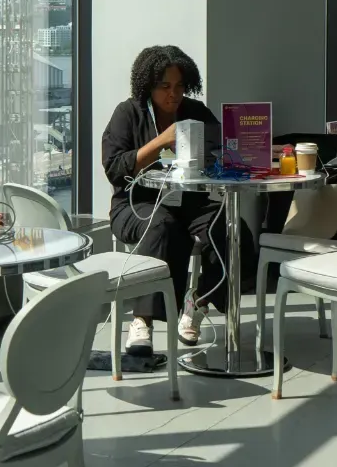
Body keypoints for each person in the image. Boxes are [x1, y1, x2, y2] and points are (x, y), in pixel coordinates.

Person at [100, 44, 248, 356]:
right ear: (148, 86)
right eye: (165, 86)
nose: (174, 94)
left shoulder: (194, 113)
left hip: (189, 202)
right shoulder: (128, 113)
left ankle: (199, 302)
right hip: (135, 204)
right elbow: (115, 169)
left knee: (232, 230)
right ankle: (142, 321)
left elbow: (225, 148)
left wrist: (259, 150)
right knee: (162, 227)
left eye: (180, 86)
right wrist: (162, 141)